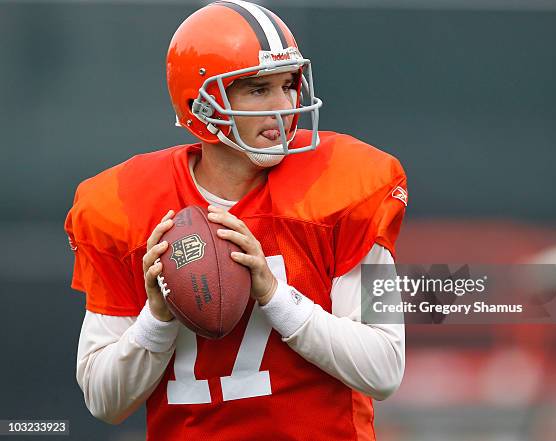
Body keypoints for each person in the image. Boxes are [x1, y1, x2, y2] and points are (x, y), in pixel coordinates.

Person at [65, 1, 407, 439]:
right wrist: (157, 316)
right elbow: (103, 400)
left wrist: (273, 294)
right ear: (201, 105)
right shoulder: (125, 206)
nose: (284, 107)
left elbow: (384, 367)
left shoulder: (348, 187)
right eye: (258, 90)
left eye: (288, 85)